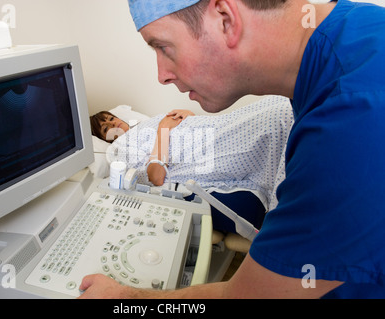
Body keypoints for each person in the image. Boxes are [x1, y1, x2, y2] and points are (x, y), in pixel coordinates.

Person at [79, 0, 385, 298]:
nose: (162, 75)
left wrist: (120, 299)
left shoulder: (351, 122)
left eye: (162, 47)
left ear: (225, 19)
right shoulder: (358, 25)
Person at [90, 96, 294, 233]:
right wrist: (163, 128)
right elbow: (156, 176)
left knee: (277, 108)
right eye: (105, 128)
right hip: (207, 151)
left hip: (213, 130)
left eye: (111, 118)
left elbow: (192, 126)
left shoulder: (144, 123)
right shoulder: (121, 149)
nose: (113, 124)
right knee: (278, 119)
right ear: (106, 139)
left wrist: (186, 115)